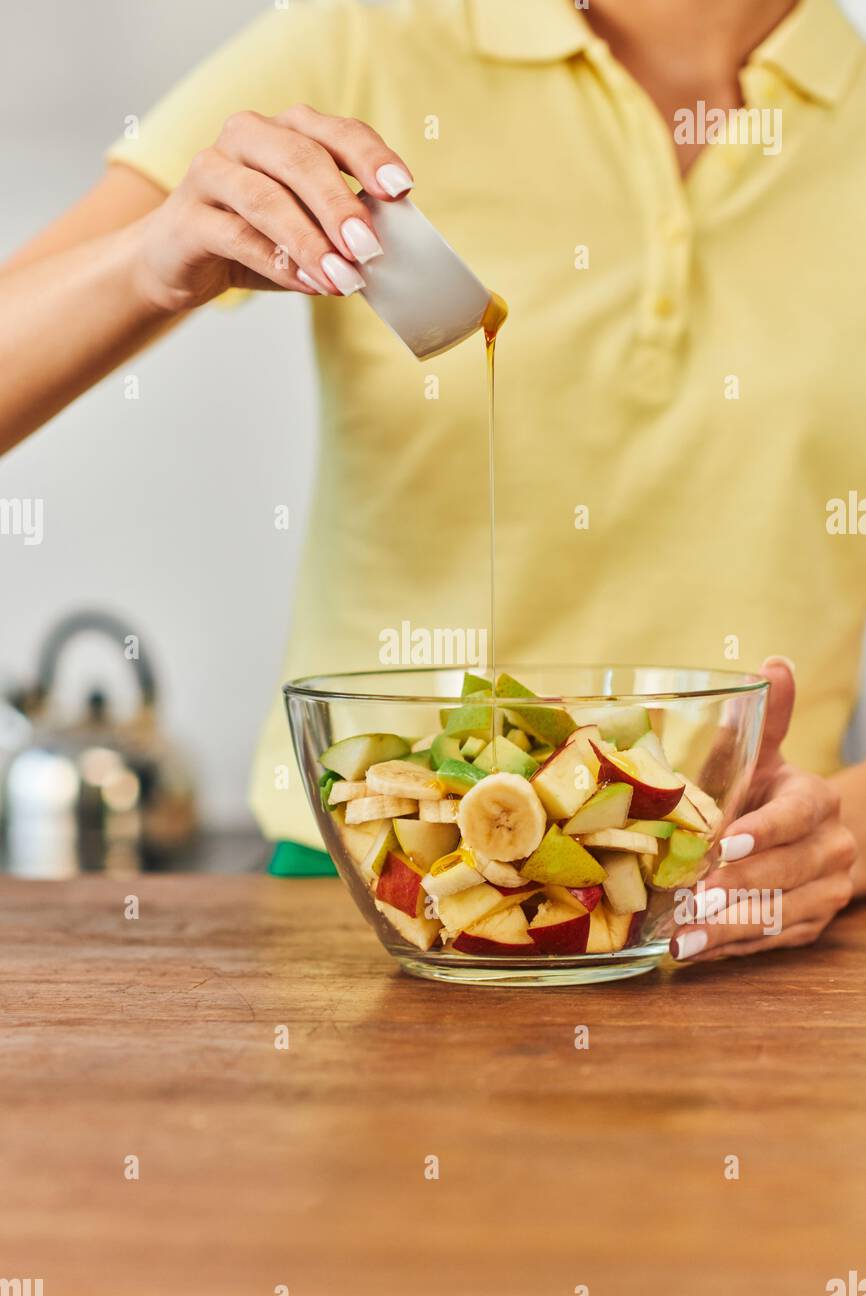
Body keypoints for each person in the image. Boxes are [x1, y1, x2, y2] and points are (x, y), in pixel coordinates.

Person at [1, 0, 863, 962]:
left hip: (751, 918)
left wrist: (854, 826)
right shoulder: (362, 41)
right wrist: (147, 263)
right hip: (368, 918)